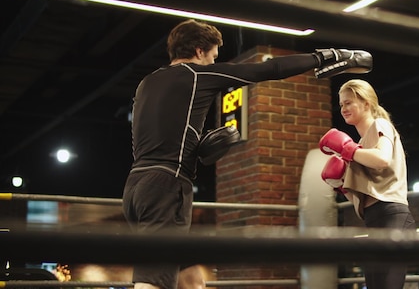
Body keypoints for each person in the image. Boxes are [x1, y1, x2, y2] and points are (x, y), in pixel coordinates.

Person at [121, 19, 372, 289]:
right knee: (151, 283)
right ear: (198, 51)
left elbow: (160, 135)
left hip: (136, 187)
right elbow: (269, 68)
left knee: (192, 281)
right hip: (166, 189)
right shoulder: (196, 74)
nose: (212, 62)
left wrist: (197, 145)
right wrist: (325, 56)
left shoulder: (146, 83)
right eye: (212, 56)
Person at [319, 78, 416, 289]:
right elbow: (361, 198)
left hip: (393, 216)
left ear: (366, 103)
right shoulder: (360, 149)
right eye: (342, 104)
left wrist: (348, 150)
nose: (343, 108)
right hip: (374, 219)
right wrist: (340, 186)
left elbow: (382, 159)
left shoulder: (380, 125)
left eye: (348, 103)